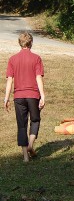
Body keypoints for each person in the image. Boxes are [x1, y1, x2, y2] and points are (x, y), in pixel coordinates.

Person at [4, 32, 45, 162]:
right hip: (33, 95)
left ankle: (26, 157)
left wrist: (6, 98)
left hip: (18, 96)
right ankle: (31, 145)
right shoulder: (36, 58)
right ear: (31, 42)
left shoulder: (12, 59)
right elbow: (38, 77)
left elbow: (9, 80)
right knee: (35, 120)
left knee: (21, 125)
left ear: (19, 43)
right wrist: (42, 95)